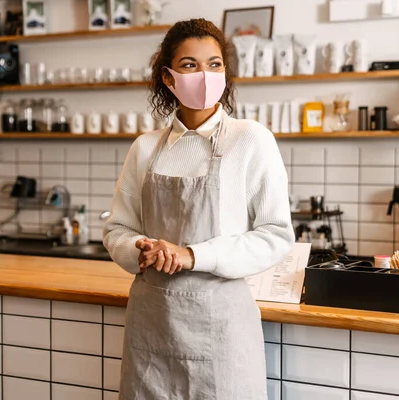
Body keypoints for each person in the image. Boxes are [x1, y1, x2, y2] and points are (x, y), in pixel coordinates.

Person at [103, 18, 294, 400]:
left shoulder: (251, 139)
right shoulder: (145, 147)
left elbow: (275, 235)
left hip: (221, 329)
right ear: (169, 78)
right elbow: (117, 229)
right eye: (190, 65)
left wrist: (191, 255)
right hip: (152, 325)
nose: (204, 75)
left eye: (214, 64)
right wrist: (140, 249)